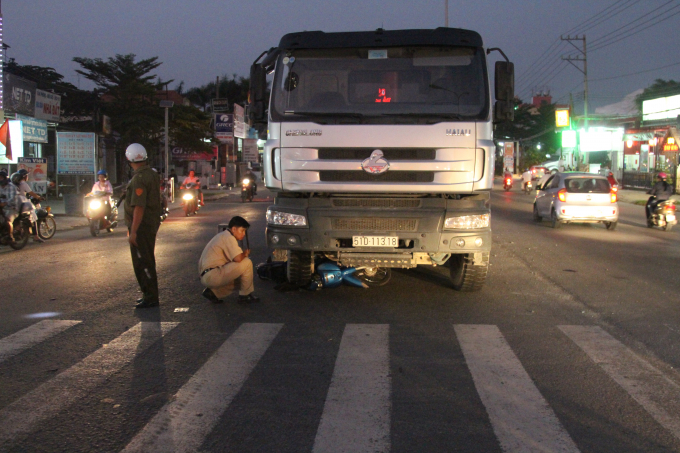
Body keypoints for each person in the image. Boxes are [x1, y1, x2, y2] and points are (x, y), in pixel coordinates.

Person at [123, 143, 162, 309]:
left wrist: (133, 231)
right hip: (151, 223)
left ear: (129, 160)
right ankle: (149, 294)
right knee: (147, 259)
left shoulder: (139, 178)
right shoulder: (152, 174)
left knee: (142, 262)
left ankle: (150, 296)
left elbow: (139, 206)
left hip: (142, 226)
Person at [198, 215, 260, 304]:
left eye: (244, 231)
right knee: (247, 262)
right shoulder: (228, 237)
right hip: (213, 275)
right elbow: (238, 258)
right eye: (242, 230)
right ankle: (245, 296)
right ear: (234, 229)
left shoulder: (222, 235)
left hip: (206, 275)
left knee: (243, 280)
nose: (243, 234)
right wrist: (245, 254)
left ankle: (213, 293)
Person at [12, 170, 44, 243]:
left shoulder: (12, 184)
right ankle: (36, 236)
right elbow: (32, 193)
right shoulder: (23, 184)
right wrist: (39, 197)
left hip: (14, 204)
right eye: (27, 175)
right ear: (24, 176)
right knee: (33, 217)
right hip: (23, 204)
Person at [0, 170, 18, 243]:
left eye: (1, 177)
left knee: (8, 220)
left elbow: (13, 199)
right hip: (1, 208)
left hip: (11, 208)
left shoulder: (11, 187)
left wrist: (4, 203)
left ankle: (11, 237)